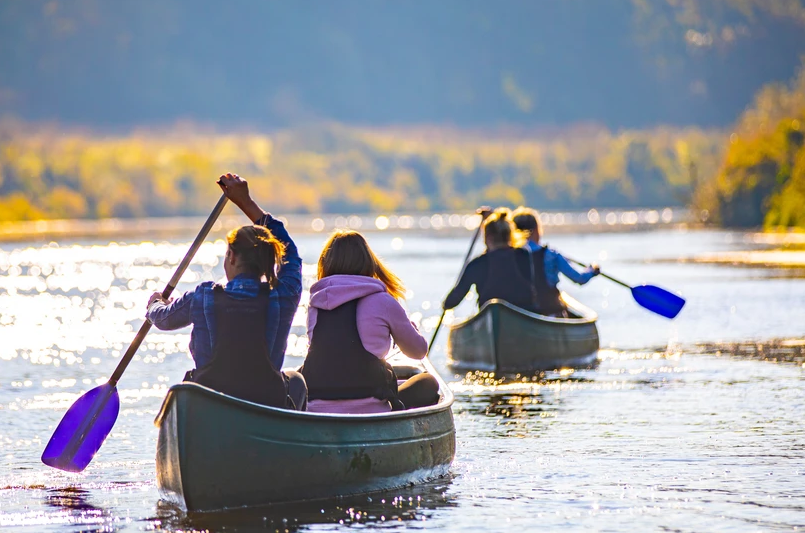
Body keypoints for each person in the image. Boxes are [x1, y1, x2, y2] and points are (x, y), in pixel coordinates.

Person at [145, 173, 307, 409]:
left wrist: (154, 304)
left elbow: (162, 319)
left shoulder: (203, 296)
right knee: (297, 381)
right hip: (265, 401)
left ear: (230, 256)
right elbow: (290, 253)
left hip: (209, 402)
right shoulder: (284, 295)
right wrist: (246, 203)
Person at [301, 230, 440, 410]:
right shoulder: (383, 301)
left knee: (295, 376)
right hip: (372, 408)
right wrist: (409, 328)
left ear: (326, 264)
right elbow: (418, 352)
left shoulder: (315, 305)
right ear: (368, 262)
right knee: (429, 382)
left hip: (317, 408)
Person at [442, 208, 535, 313]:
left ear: (487, 238)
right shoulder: (523, 254)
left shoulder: (477, 264)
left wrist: (445, 304)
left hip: (490, 313)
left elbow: (451, 302)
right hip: (523, 315)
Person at [511, 206, 599, 316]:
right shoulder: (551, 255)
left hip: (521, 312)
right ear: (536, 230)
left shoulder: (509, 254)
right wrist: (592, 270)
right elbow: (579, 278)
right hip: (550, 310)